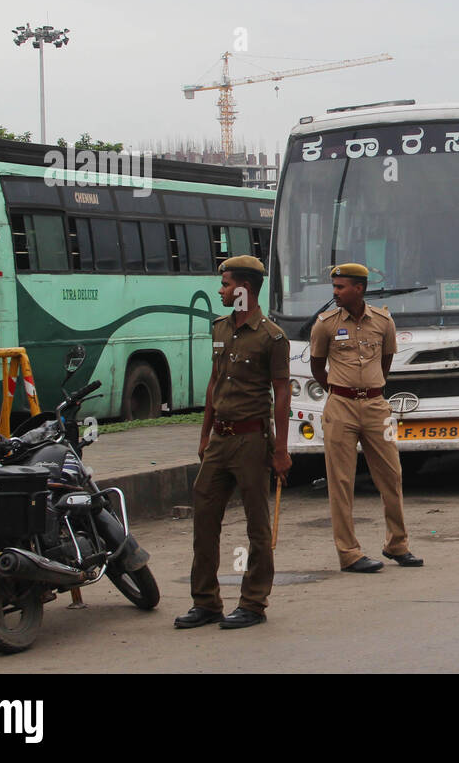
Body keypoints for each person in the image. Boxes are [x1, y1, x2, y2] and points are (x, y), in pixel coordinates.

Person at [175, 255, 291, 630]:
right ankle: (206, 601)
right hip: (220, 441)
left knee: (258, 527)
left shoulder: (272, 337)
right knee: (204, 520)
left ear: (244, 288)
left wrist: (281, 450)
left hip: (251, 440)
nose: (221, 290)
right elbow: (214, 384)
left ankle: (253, 602)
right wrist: (204, 433)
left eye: (226, 284)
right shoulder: (220, 329)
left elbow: (282, 395)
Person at [310, 263, 423, 572]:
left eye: (340, 287)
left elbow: (385, 362)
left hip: (376, 408)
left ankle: (397, 544)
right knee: (341, 481)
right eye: (334, 287)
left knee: (392, 475)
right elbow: (317, 367)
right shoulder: (325, 324)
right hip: (340, 408)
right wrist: (340, 391)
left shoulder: (384, 322)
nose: (335, 293)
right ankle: (349, 553)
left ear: (359, 289)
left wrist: (369, 389)